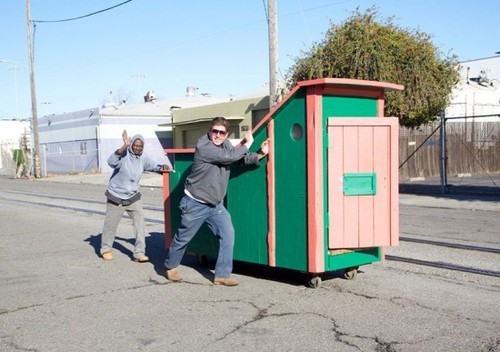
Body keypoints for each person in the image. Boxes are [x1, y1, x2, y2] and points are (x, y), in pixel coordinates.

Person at [164, 117, 269, 286]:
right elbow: (229, 157)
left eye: (222, 132)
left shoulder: (226, 146)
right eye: (215, 131)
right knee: (183, 237)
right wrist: (248, 143)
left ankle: (222, 274)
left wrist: (261, 153)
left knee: (228, 234)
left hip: (215, 205)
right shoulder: (204, 146)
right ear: (210, 130)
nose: (217, 135)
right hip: (195, 203)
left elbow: (238, 159)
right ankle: (170, 266)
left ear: (227, 134)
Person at [100, 130, 172, 262]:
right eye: (136, 145)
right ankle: (105, 249)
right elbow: (111, 161)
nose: (138, 148)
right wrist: (124, 146)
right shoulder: (124, 155)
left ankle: (139, 253)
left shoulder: (143, 157)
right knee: (110, 224)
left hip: (133, 196)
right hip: (116, 195)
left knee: (140, 224)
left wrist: (162, 167)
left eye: (141, 146)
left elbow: (152, 165)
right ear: (131, 145)